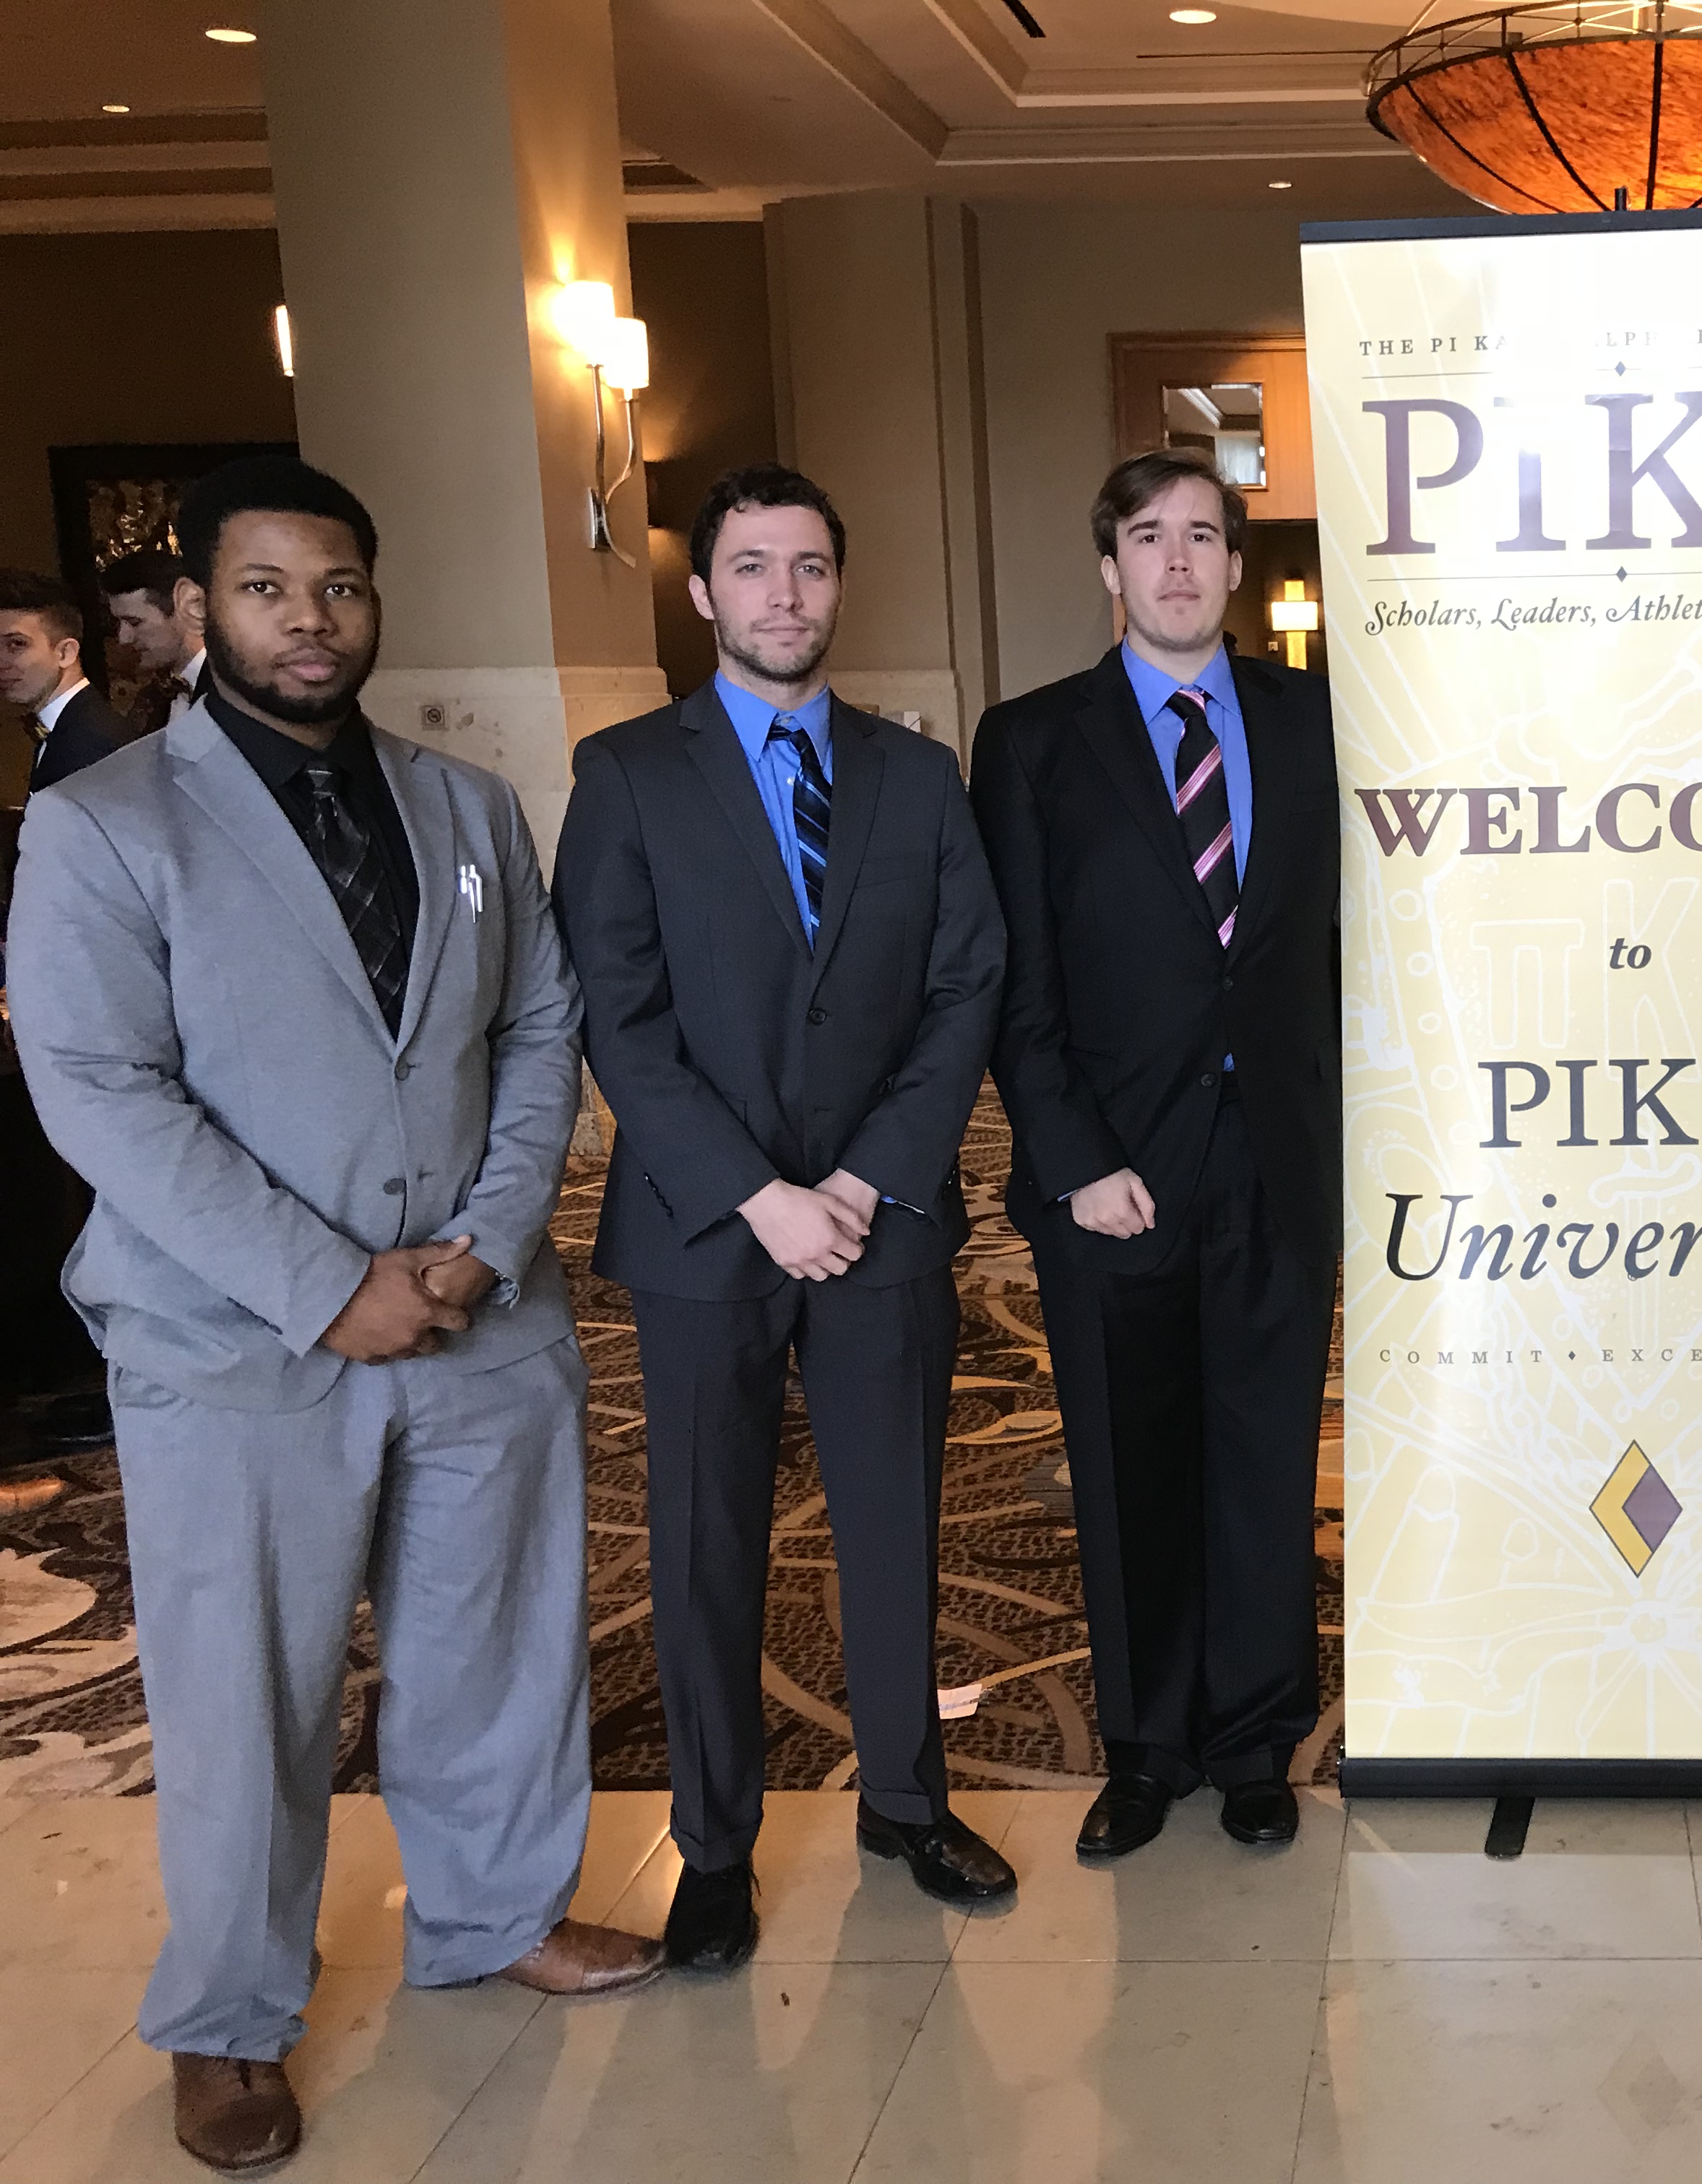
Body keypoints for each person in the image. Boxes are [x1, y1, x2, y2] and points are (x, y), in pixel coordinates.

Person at [5, 456, 661, 2176]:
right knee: (246, 1692)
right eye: (271, 590)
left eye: (340, 588)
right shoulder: (105, 823)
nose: (312, 620)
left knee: (496, 1644)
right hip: (238, 1349)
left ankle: (495, 1913)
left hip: (475, 1312)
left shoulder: (462, 810)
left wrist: (487, 1236)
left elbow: (540, 1030)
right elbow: (97, 1089)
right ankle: (226, 2018)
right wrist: (325, 1284)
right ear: (199, 614)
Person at [553, 463, 1014, 1970]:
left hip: (884, 1220)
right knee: (701, 1544)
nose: (782, 599)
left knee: (895, 1521)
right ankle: (715, 1845)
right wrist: (758, 1193)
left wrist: (867, 1180)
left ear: (839, 583)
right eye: (751, 570)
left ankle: (904, 1798)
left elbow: (966, 989)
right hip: (704, 1227)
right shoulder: (625, 775)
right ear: (702, 594)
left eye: (808, 569)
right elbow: (616, 1017)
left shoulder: (915, 777)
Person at [969, 448, 1339, 1858]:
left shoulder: (1314, 723)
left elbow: (1342, 953)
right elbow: (1019, 977)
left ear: (1237, 566)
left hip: (1280, 1159)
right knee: (1127, 1465)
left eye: (1204, 535)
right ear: (1109, 567)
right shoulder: (1034, 741)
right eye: (1149, 536)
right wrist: (1072, 1155)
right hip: (1111, 1172)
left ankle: (1252, 1738)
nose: (1179, 561)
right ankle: (1145, 1745)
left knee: (1262, 1455)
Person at [0, 568, 134, 794]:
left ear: (66, 653)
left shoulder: (90, 740)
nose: (2, 661)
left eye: (17, 644)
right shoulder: (73, 726)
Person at [103, 545, 209, 729]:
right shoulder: (153, 699)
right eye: (119, 623)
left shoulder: (236, 690)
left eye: (135, 623)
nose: (124, 638)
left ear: (187, 609)